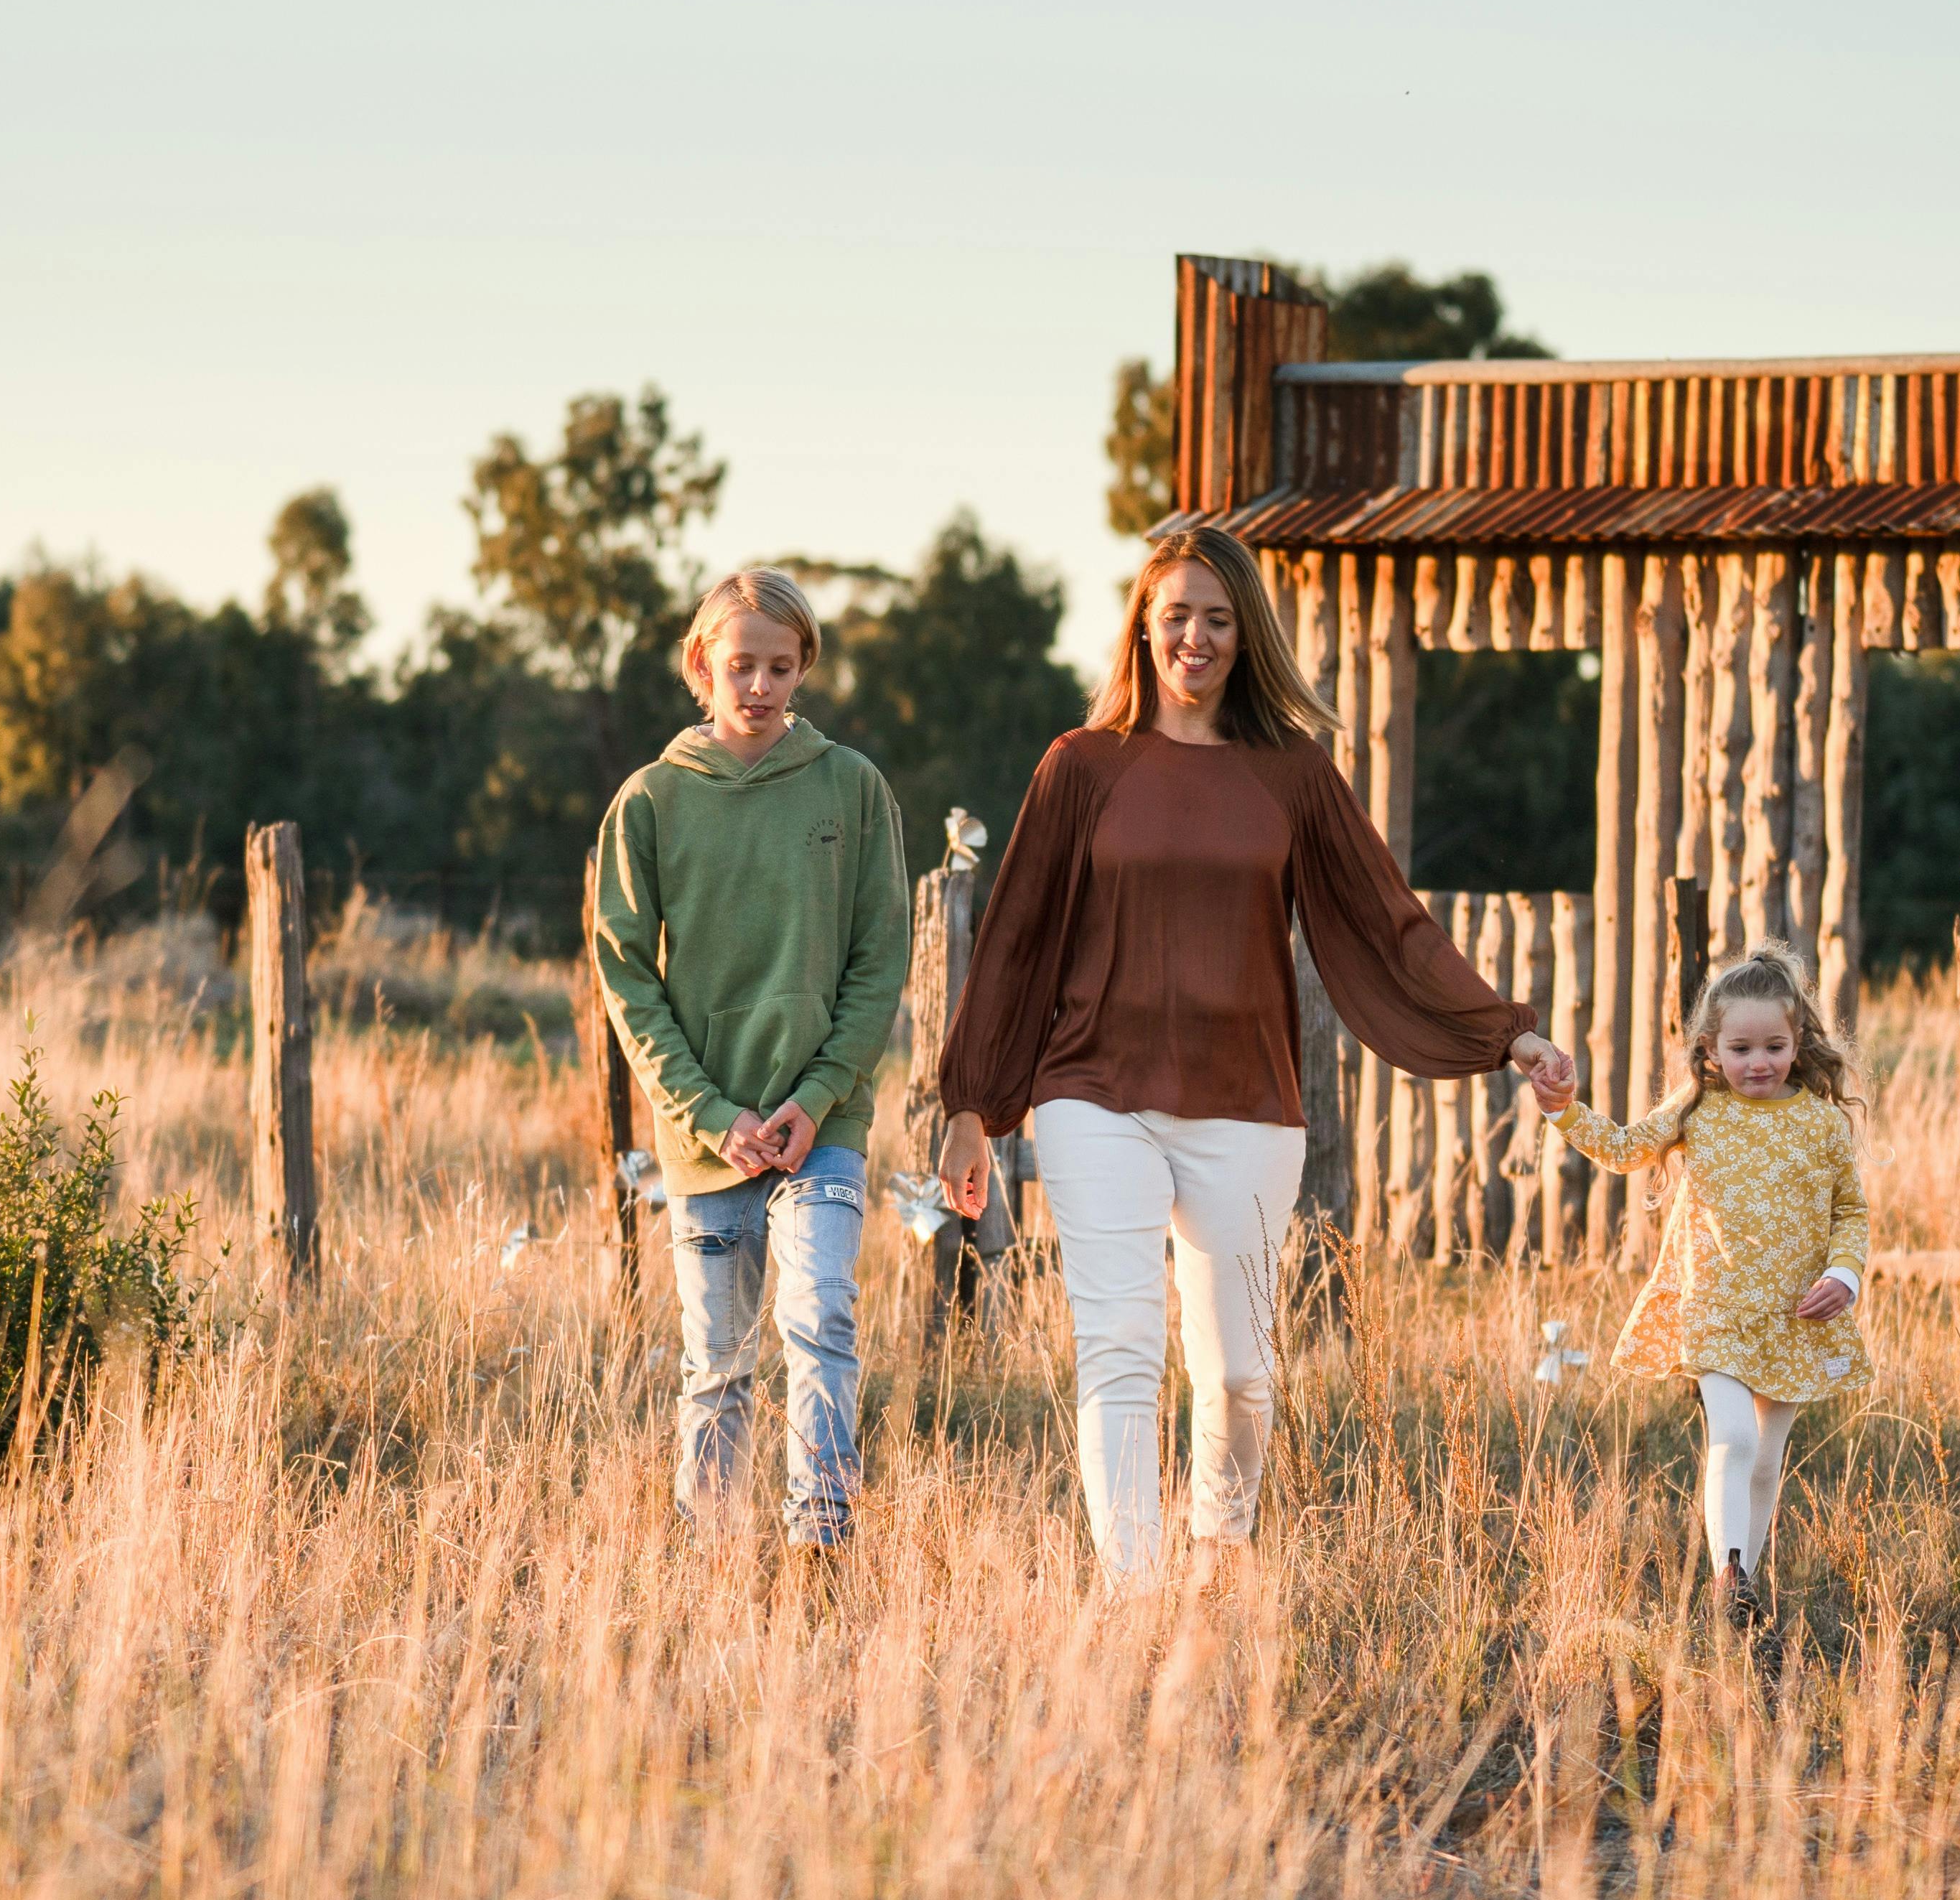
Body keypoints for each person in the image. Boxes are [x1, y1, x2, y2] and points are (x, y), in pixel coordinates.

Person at [939, 521, 1573, 1584]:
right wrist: (971, 1105)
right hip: (1097, 1092)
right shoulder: (1083, 767)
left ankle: (1216, 1560)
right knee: (1123, 1351)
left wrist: (1506, 1032)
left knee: (1238, 1374)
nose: (1195, 636)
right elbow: (1014, 940)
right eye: (1176, 614)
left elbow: (1388, 921)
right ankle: (1135, 1604)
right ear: (1143, 624)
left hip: (1247, 1104)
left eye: (1218, 619)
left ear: (1246, 637)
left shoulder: (1291, 775)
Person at [587, 569, 912, 1554]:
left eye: (781, 666)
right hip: (708, 1137)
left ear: (804, 666)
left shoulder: (850, 788)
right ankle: (713, 1555)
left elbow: (879, 959)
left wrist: (817, 1097)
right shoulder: (648, 804)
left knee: (820, 1321)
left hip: (823, 1125)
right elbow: (626, 979)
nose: (761, 686)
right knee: (718, 1362)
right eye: (742, 666)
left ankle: (823, 1537)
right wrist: (706, 1113)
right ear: (702, 665)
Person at [1524, 944, 1869, 1629]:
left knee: (1768, 1460)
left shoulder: (1823, 1124)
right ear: (1712, 1049)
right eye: (1741, 1048)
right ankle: (1727, 1571)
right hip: (1713, 1305)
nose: (1759, 1062)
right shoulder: (1697, 1112)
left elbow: (1850, 1213)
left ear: (1799, 1042)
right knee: (1735, 1436)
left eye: (1774, 1046)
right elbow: (1622, 1148)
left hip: (1792, 1314)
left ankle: (1743, 1594)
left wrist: (1844, 1275)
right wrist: (1563, 1109)